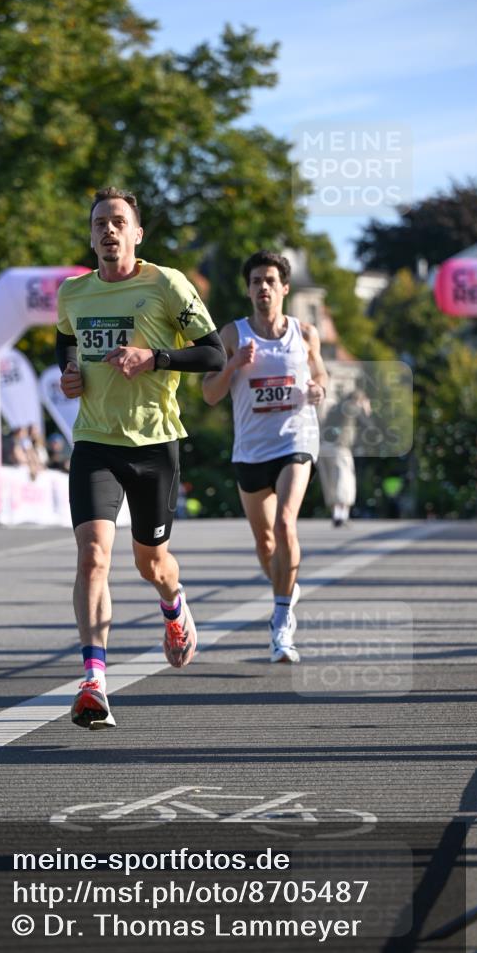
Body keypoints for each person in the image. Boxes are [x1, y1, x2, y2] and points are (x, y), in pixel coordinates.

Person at [56, 185, 226, 730]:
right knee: (93, 557)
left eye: (118, 221)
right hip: (95, 441)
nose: (108, 230)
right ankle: (93, 680)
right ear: (91, 234)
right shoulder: (73, 293)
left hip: (154, 443)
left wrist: (153, 357)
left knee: (150, 563)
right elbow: (65, 340)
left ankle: (174, 605)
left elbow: (213, 353)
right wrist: (70, 373)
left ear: (136, 233)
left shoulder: (166, 284)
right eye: (99, 221)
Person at [203, 250, 328, 664]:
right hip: (251, 450)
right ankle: (284, 587)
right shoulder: (233, 336)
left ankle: (280, 619)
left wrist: (318, 390)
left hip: (296, 440)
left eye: (270, 281)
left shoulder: (305, 333)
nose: (263, 288)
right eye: (256, 281)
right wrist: (233, 365)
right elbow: (209, 393)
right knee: (265, 542)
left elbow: (320, 373)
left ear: (284, 288)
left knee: (285, 521)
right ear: (248, 290)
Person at [317, 387, 371, 526]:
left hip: (323, 447)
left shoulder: (335, 407)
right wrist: (366, 410)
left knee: (330, 482)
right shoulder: (352, 407)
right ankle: (342, 515)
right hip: (339, 448)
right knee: (344, 480)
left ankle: (336, 513)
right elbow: (367, 425)